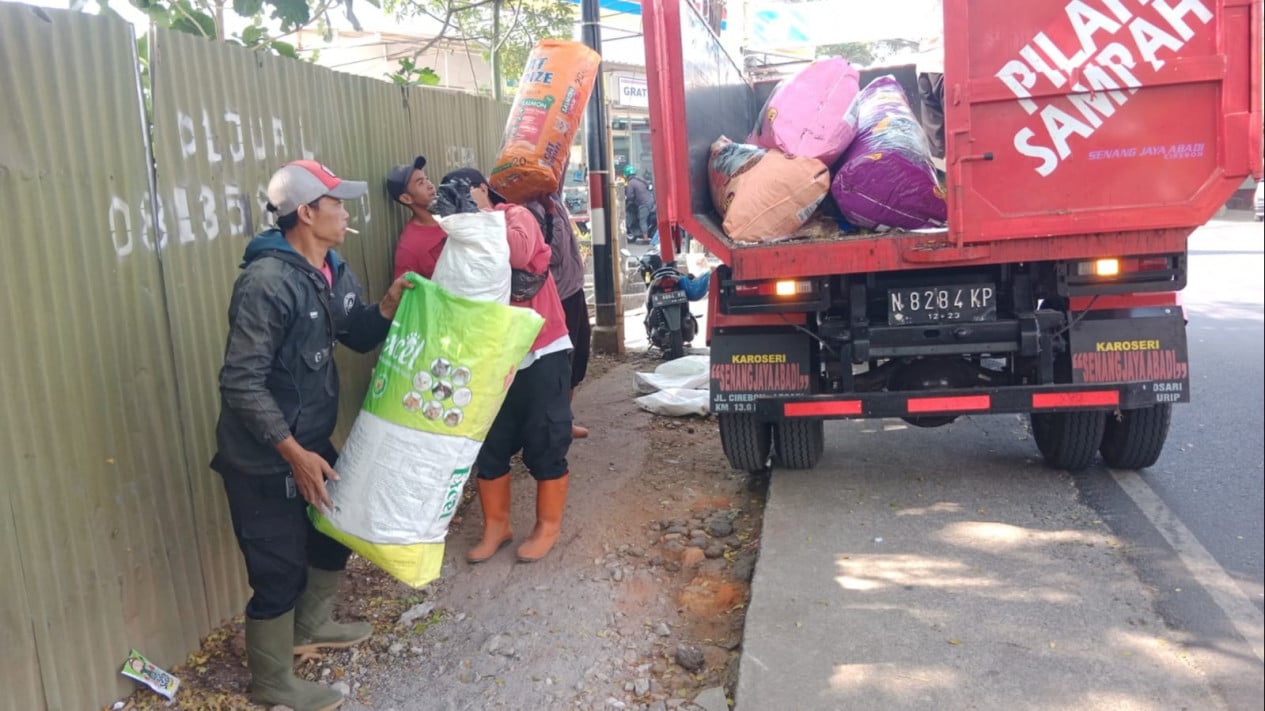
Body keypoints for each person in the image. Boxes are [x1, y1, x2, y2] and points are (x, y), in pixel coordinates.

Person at [211, 160, 412, 711]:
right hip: (262, 456)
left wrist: (388, 307)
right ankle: (271, 681)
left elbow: (355, 333)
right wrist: (293, 453)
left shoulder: (331, 270)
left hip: (310, 439)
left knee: (331, 531)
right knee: (276, 569)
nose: (346, 212)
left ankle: (312, 625)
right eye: (336, 203)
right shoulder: (266, 282)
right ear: (306, 212)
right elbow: (241, 382)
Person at [437, 167, 576, 564]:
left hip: (540, 348)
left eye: (469, 195)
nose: (465, 205)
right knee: (492, 443)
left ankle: (547, 525)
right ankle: (497, 526)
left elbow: (516, 253)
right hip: (493, 357)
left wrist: (479, 221)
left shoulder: (518, 216)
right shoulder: (457, 235)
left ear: (484, 190)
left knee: (546, 438)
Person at [525, 191, 591, 439]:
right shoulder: (532, 206)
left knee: (578, 356)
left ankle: (565, 418)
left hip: (573, 288)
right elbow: (553, 253)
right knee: (562, 363)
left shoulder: (550, 195)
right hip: (558, 294)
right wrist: (550, 212)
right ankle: (555, 423)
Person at [387, 155, 443, 279]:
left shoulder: (453, 215)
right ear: (406, 198)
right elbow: (405, 294)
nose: (430, 185)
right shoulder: (409, 249)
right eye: (421, 183)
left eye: (427, 179)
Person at [622, 164, 653, 243]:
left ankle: (645, 238)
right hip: (650, 200)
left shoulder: (631, 183)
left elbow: (629, 196)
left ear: (626, 175)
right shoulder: (640, 179)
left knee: (642, 220)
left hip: (644, 203)